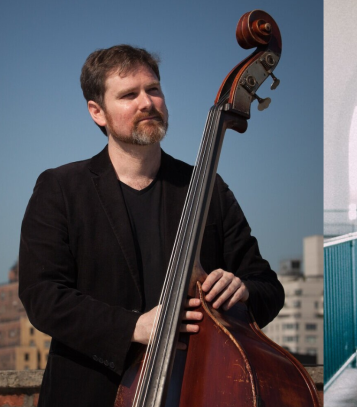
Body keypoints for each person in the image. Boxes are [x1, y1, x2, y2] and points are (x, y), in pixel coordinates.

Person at [18, 45, 285, 406]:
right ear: (97, 112)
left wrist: (242, 292)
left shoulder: (207, 188)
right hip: (89, 395)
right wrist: (134, 327)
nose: (147, 102)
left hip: (193, 390)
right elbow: (43, 296)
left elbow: (268, 287)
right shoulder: (61, 189)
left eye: (153, 89)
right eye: (129, 94)